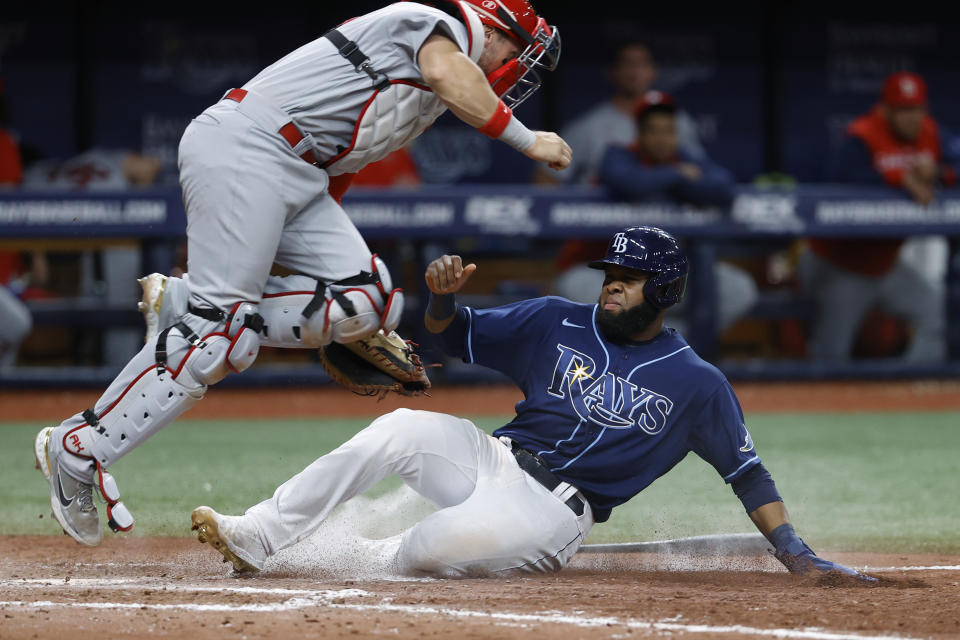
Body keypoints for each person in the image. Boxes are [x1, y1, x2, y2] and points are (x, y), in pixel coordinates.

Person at [34, 0, 568, 548]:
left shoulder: (422, 97)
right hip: (250, 145)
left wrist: (316, 296)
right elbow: (445, 72)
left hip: (298, 171)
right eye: (517, 51)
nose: (517, 67)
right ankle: (78, 449)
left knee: (369, 303)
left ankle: (189, 304)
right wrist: (527, 140)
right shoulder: (436, 28)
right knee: (217, 340)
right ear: (493, 27)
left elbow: (339, 173)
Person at [189, 226, 873, 581]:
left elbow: (747, 473)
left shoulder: (697, 383)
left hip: (551, 513)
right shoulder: (556, 319)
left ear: (663, 293)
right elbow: (453, 335)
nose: (612, 286)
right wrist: (443, 298)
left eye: (629, 280)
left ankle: (354, 557)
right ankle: (261, 534)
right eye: (611, 275)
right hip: (493, 459)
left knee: (429, 552)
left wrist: (793, 550)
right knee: (397, 426)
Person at [554, 92, 757, 336]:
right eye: (653, 130)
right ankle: (642, 351)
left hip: (666, 277)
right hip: (610, 275)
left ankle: (669, 346)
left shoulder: (686, 158)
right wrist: (678, 175)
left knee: (738, 288)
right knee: (571, 287)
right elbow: (629, 182)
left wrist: (673, 175)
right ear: (639, 134)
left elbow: (724, 187)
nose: (661, 138)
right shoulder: (619, 155)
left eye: (668, 131)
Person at [798, 70, 957, 361]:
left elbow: (956, 164)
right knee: (829, 357)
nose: (912, 117)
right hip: (842, 265)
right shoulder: (862, 135)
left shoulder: (931, 133)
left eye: (917, 109)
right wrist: (900, 178)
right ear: (885, 109)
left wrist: (942, 173)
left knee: (934, 313)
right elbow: (842, 180)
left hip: (887, 266)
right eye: (903, 110)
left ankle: (909, 394)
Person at [534, 39, 704, 186]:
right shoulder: (590, 126)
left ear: (654, 71)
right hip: (604, 220)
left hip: (666, 218)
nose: (634, 72)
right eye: (627, 64)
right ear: (613, 72)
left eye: (641, 64)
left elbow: (701, 172)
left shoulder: (678, 120)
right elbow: (546, 179)